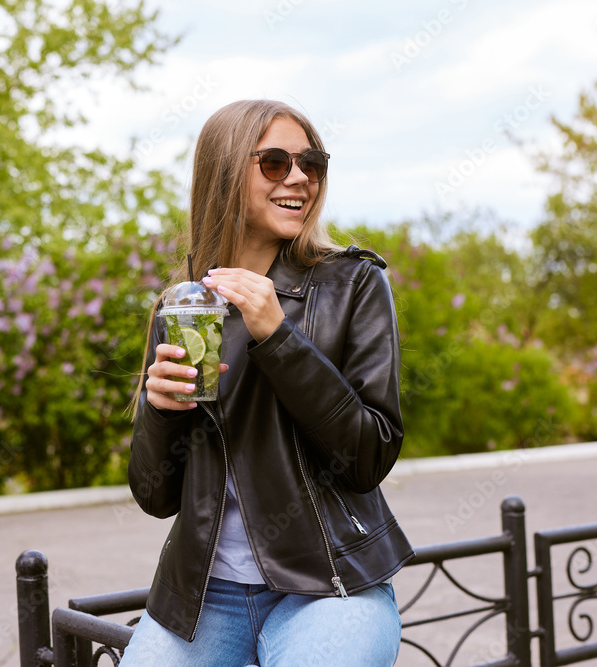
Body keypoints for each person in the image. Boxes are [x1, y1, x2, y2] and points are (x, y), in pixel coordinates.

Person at [121, 99, 413, 667]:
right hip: (204, 595)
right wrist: (160, 411)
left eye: (312, 163)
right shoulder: (184, 307)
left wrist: (277, 337)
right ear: (226, 173)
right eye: (276, 163)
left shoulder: (354, 283)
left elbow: (368, 455)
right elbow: (156, 497)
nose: (300, 178)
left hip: (329, 585)